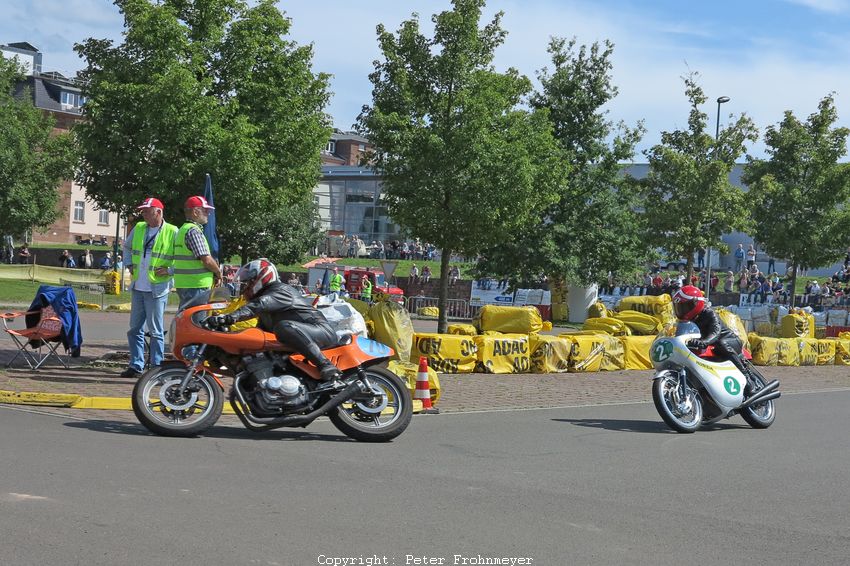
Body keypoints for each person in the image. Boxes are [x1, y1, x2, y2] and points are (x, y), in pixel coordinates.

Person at [209, 259, 342, 386]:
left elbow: (258, 305)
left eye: (249, 282)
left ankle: (324, 364)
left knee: (284, 326)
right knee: (255, 345)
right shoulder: (266, 305)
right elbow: (257, 334)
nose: (246, 286)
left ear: (262, 276)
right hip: (302, 335)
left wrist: (228, 317)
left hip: (321, 331)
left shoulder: (280, 291)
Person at [121, 197, 178, 378]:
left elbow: (183, 257)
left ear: (158, 212)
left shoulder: (172, 231)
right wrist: (129, 263)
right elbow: (127, 247)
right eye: (143, 211)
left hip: (157, 288)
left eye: (147, 211)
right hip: (139, 286)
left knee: (156, 330)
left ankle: (156, 367)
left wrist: (170, 270)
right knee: (134, 329)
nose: (143, 214)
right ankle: (136, 365)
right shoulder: (139, 228)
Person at [672, 285, 755, 392]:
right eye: (679, 307)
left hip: (729, 341)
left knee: (721, 344)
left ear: (696, 303)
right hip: (709, 346)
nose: (682, 310)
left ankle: (746, 377)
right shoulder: (686, 322)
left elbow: (716, 332)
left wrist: (704, 342)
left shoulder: (709, 313)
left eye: (685, 306)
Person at [173, 196, 222, 311]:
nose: (208, 213)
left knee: (186, 318)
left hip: (185, 284)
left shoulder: (183, 229)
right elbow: (207, 260)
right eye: (205, 210)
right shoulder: (193, 231)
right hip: (196, 285)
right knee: (196, 321)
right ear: (195, 212)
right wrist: (218, 272)